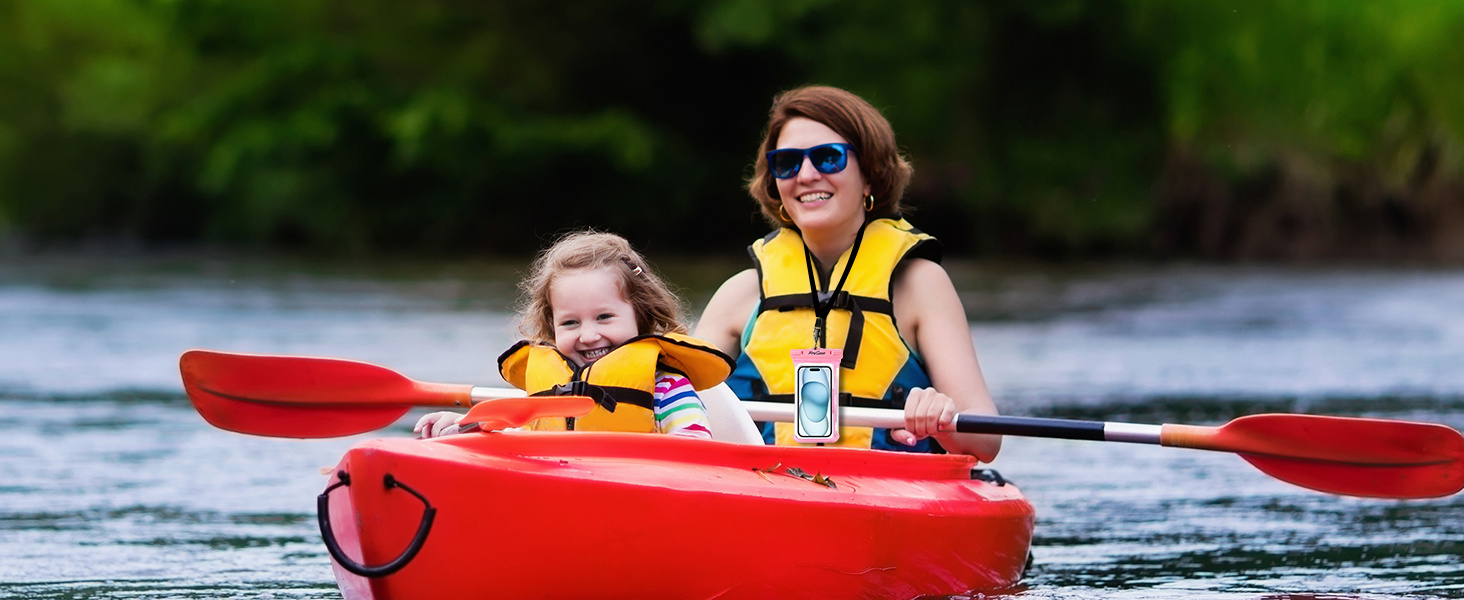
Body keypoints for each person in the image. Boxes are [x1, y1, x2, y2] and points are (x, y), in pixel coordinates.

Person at [694, 85, 1002, 461]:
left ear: (870, 175)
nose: (806, 175)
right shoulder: (739, 295)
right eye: (788, 163)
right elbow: (678, 409)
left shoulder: (919, 284)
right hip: (767, 490)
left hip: (888, 495)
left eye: (828, 158)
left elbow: (985, 441)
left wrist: (939, 416)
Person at [416, 231, 734, 439]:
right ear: (551, 325)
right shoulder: (547, 389)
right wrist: (463, 426)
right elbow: (512, 437)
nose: (588, 335)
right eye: (570, 323)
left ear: (641, 314)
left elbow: (695, 449)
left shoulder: (667, 387)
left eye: (604, 317)